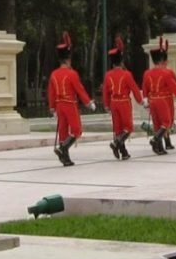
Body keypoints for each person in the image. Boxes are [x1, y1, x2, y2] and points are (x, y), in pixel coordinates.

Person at [47, 31, 95, 167]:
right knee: (76, 130)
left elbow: (51, 92)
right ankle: (64, 148)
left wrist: (52, 108)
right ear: (68, 59)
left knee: (63, 130)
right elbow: (79, 89)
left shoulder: (54, 74)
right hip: (70, 104)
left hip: (59, 105)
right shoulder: (72, 73)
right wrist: (88, 102)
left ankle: (65, 158)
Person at [102, 35, 142, 160]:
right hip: (124, 102)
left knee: (118, 128)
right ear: (121, 60)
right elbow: (135, 89)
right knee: (128, 127)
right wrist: (141, 100)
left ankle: (123, 151)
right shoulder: (127, 74)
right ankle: (117, 143)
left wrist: (106, 105)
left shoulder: (108, 75)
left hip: (114, 102)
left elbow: (105, 92)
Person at [142, 37, 176, 155]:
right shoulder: (166, 72)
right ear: (161, 60)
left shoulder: (147, 73)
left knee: (157, 123)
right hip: (164, 99)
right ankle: (156, 140)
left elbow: (145, 87)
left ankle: (159, 147)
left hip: (152, 99)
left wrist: (145, 99)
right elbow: (175, 86)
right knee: (166, 122)